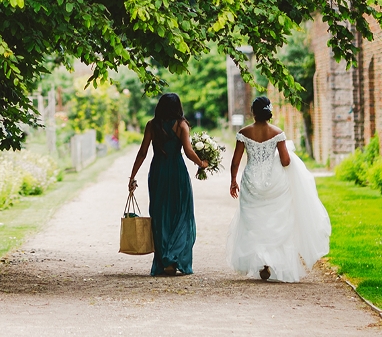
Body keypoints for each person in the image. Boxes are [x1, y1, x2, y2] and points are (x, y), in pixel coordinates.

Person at [226, 95, 331, 282]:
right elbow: (285, 161)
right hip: (273, 181)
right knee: (275, 219)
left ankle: (261, 260)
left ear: (253, 112)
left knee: (254, 222)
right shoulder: (277, 132)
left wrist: (233, 180)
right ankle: (270, 261)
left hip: (251, 180)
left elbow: (236, 161)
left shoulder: (244, 132)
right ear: (269, 112)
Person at [128, 92, 209, 276]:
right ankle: (174, 257)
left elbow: (142, 152)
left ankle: (165, 259)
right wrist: (202, 163)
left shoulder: (151, 125)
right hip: (177, 171)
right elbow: (188, 151)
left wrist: (132, 177)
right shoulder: (181, 125)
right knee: (181, 213)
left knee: (159, 214)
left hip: (158, 171)